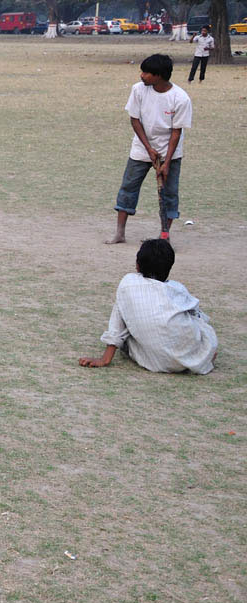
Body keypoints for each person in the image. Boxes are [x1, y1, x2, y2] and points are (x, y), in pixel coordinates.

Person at [79, 238, 216, 374]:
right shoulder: (177, 288)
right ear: (169, 267)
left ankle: (201, 353)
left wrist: (105, 359)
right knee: (199, 321)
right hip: (189, 358)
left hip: (155, 361)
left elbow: (117, 323)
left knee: (130, 331)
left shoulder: (128, 283)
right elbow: (196, 313)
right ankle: (203, 354)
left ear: (137, 265)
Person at [105, 54, 191, 244]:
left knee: (169, 193)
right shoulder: (138, 90)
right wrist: (149, 149)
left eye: (146, 73)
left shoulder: (180, 98)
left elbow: (176, 133)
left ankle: (164, 236)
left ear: (159, 76)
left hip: (170, 151)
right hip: (142, 147)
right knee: (128, 188)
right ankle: (120, 233)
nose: (142, 76)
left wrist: (166, 163)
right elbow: (134, 120)